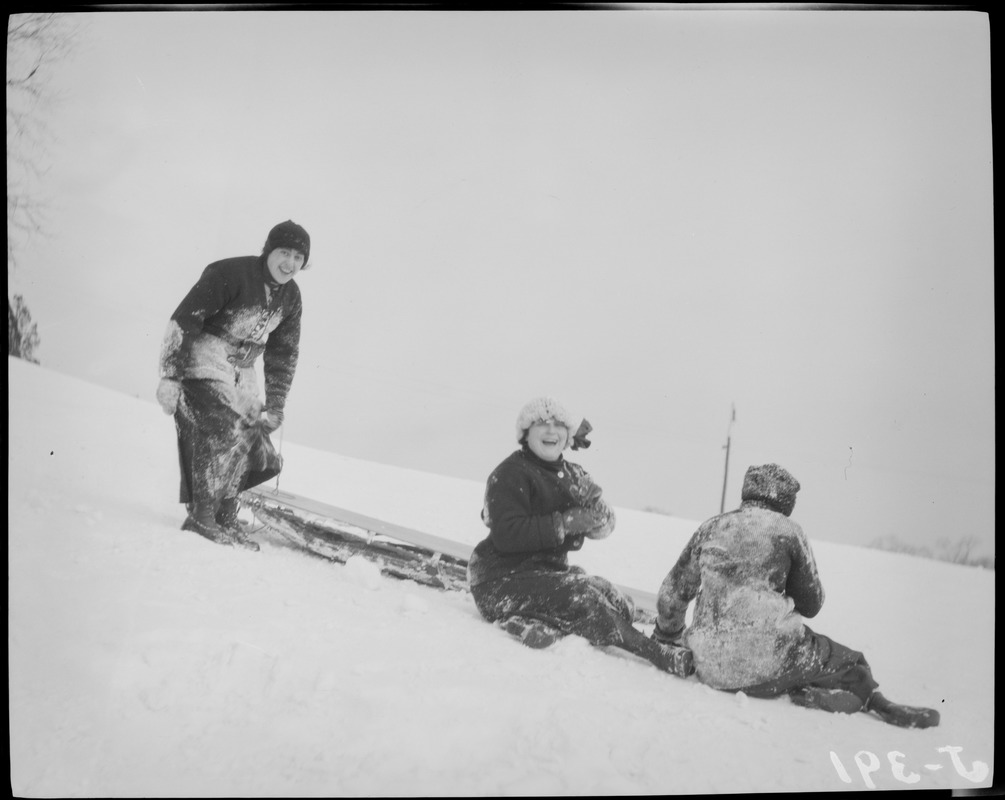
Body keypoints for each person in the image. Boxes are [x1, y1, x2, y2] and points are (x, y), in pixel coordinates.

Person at [654, 463, 940, 728]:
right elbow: (811, 604)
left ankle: (810, 687)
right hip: (771, 663)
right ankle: (873, 700)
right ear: (784, 500)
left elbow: (672, 593)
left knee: (795, 649)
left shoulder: (711, 527)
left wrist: (667, 636)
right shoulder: (789, 533)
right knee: (850, 662)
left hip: (710, 665)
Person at [467, 396, 694, 678]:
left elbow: (605, 525)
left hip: (547, 575)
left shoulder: (574, 475)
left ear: (568, 436)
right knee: (584, 599)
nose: (550, 430)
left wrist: (597, 511)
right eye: (540, 423)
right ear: (525, 434)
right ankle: (654, 652)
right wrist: (564, 523)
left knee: (615, 600)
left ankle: (528, 620)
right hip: (499, 581)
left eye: (559, 424)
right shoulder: (509, 474)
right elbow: (506, 535)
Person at [155, 220, 311, 551]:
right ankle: (202, 515)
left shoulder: (291, 297)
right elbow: (184, 319)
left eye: (298, 257)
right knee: (223, 430)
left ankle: (225, 514)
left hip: (242, 370)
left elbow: (283, 352)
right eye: (284, 253)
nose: (290, 264)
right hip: (204, 357)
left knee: (253, 441)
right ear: (269, 250)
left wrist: (276, 403)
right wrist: (170, 375)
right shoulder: (230, 273)